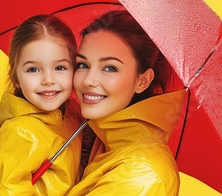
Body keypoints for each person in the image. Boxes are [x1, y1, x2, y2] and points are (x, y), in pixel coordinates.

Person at [67, 10, 183, 195]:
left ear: (142, 81)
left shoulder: (141, 175)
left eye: (109, 68)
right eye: (83, 65)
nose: (88, 80)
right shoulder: (98, 139)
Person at [0, 14, 84, 195]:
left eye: (60, 67)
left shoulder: (73, 114)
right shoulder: (21, 132)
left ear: (75, 70)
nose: (48, 80)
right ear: (16, 78)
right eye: (33, 69)